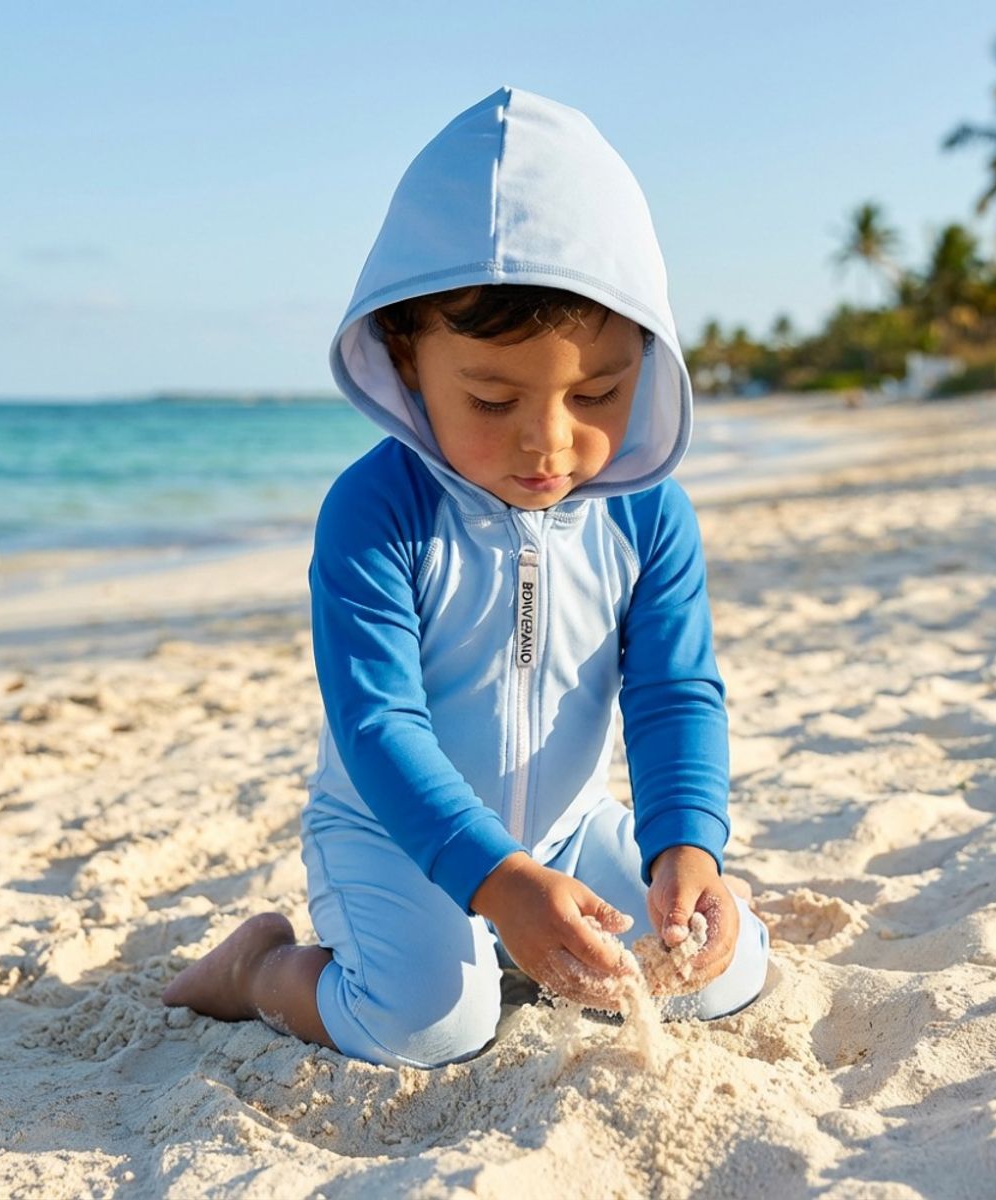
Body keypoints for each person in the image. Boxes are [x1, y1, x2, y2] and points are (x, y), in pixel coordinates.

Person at [163, 86, 770, 1068]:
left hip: (566, 833)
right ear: (406, 358)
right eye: (493, 398)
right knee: (432, 1026)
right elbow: (378, 728)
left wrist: (684, 851)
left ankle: (517, 935)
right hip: (395, 837)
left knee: (726, 969)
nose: (548, 441)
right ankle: (256, 971)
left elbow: (672, 695)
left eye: (600, 392)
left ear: (648, 360)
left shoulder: (647, 512)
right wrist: (497, 881)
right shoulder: (376, 513)